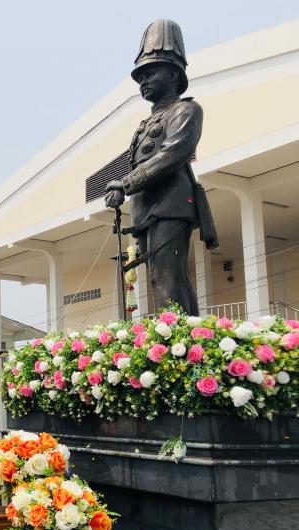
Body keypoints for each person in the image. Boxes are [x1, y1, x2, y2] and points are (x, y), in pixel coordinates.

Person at [105, 19, 217, 315]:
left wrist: (126, 183)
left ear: (172, 73)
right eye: (140, 76)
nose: (143, 81)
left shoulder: (186, 109)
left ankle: (180, 345)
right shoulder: (147, 122)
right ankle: (181, 338)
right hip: (149, 208)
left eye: (150, 72)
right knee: (159, 277)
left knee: (168, 276)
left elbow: (174, 153)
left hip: (171, 204)